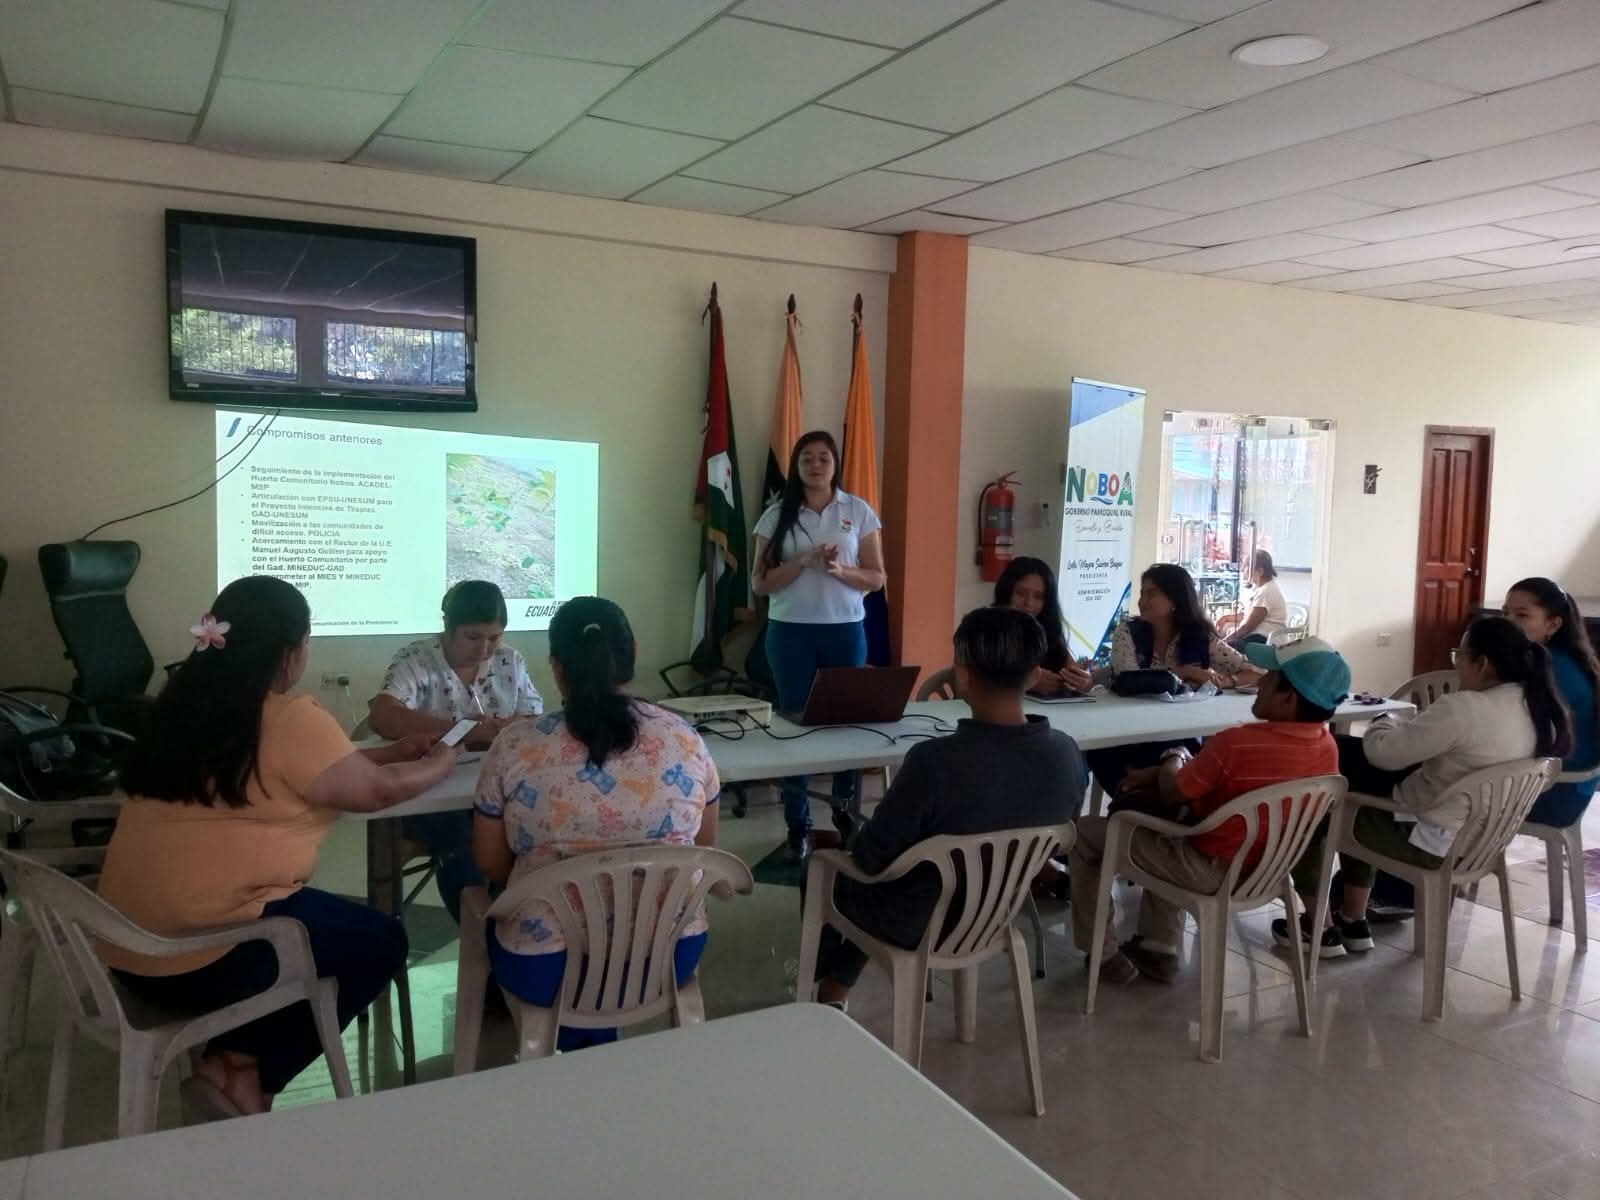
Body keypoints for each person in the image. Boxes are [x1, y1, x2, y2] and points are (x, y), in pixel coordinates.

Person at [98, 576, 459, 1117]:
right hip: (209, 958)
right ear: (291, 651)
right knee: (381, 941)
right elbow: (376, 793)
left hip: (127, 950)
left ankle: (232, 1061)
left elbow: (305, 767)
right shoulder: (288, 716)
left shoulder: (182, 707)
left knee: (332, 922)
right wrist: (440, 763)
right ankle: (247, 1073)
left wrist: (388, 753)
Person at [473, 597, 720, 1051]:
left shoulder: (515, 746)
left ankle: (584, 1053)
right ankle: (598, 1051)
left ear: (556, 666)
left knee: (488, 906)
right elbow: (704, 844)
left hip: (546, 966)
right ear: (633, 654)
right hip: (666, 956)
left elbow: (491, 863)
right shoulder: (684, 739)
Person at [809, 606, 1085, 1008]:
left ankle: (825, 994)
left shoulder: (933, 762)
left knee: (823, 871)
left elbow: (871, 859)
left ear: (963, 676)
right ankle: (834, 991)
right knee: (883, 883)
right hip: (994, 917)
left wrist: (846, 843)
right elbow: (1059, 839)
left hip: (918, 921)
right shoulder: (1067, 753)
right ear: (1034, 675)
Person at [1279, 616, 1572, 957]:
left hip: (1425, 840)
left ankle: (1319, 927)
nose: (1456, 664)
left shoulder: (1465, 708)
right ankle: (1353, 920)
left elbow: (1383, 754)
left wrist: (1383, 720)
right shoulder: (1540, 708)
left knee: (1312, 803)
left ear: (1482, 663)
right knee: (1349, 769)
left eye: (1460, 655)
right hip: (1483, 842)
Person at [1072, 637, 1348, 983]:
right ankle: (1158, 947)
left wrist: (1173, 756)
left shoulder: (1236, 744)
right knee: (1166, 824)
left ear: (1288, 698)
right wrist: (1163, 771)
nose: (1259, 682)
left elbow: (1173, 792)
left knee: (1086, 835)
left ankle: (1102, 952)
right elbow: (1197, 781)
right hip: (1269, 871)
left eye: (1269, 677)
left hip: (1208, 870)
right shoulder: (1327, 749)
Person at [367, 580, 543, 922]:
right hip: (430, 792)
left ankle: (516, 914)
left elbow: (534, 721)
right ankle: (481, 923)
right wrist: (465, 730)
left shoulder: (509, 660)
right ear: (448, 626)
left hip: (489, 785)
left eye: (494, 637)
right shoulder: (417, 659)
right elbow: (384, 715)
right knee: (459, 832)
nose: (484, 648)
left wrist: (506, 727)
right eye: (473, 637)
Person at [753, 430, 887, 861]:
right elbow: (759, 583)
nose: (815, 464)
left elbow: (877, 577)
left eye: (823, 457)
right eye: (806, 458)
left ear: (835, 464)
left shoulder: (858, 510)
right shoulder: (776, 515)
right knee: (797, 727)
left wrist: (839, 570)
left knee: (847, 725)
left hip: (844, 631)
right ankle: (799, 825)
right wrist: (804, 562)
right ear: (796, 466)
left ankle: (846, 814)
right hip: (790, 634)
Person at [1086, 564, 1259, 795]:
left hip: (1183, 728)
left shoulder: (1200, 638)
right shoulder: (1127, 633)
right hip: (1131, 726)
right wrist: (1184, 672)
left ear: (1175, 600)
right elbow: (1129, 680)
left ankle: (1149, 791)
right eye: (1142, 593)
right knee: (1100, 749)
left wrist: (1226, 681)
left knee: (1193, 750)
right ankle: (1143, 795)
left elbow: (1255, 672)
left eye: (1151, 594)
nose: (1142, 601)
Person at [1505, 578, 1600, 827]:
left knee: (1442, 794)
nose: (1508, 622)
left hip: (1558, 790)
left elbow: (1518, 733)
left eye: (1521, 615)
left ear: (1553, 624)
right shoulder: (1554, 657)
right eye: (1506, 613)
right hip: (1561, 782)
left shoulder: (1554, 668)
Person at [994, 556, 1093, 695]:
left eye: (1038, 597)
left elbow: (1076, 674)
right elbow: (971, 681)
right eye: (1020, 594)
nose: (1029, 603)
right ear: (1006, 592)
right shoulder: (984, 628)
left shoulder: (1049, 631)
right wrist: (1025, 682)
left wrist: (1083, 682)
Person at [1228, 550, 1289, 648]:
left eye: (1246, 566)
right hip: (1257, 637)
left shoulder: (1266, 591)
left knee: (1227, 646)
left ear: (1260, 571)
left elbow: (1248, 626)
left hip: (1266, 641)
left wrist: (1225, 640)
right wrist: (1226, 618)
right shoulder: (1260, 588)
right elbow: (1249, 615)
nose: (1243, 570)